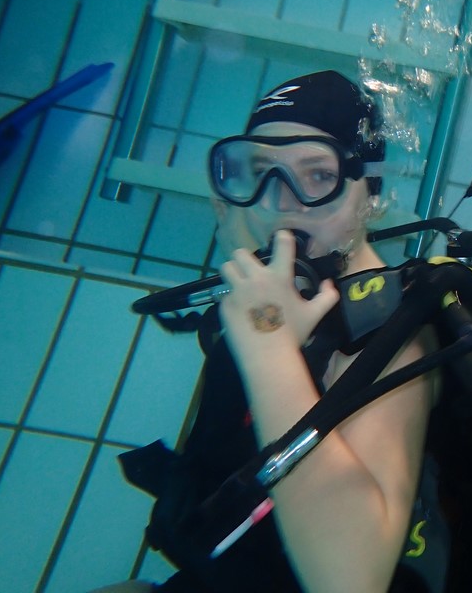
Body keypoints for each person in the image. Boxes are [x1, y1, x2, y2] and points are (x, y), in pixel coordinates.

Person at [100, 70, 438, 592]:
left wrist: (269, 344)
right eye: (261, 171)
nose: (279, 203)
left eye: (317, 174)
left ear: (370, 196)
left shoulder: (390, 332)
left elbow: (352, 582)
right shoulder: (267, 294)